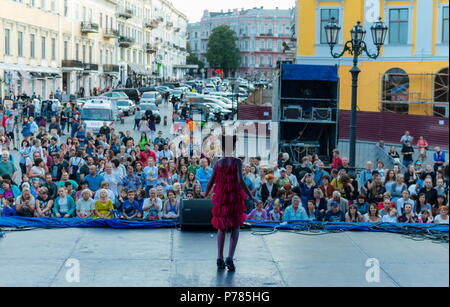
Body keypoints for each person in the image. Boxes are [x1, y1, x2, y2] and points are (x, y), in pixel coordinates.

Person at [203, 131, 257, 272]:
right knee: (235, 227)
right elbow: (240, 181)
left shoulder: (218, 162)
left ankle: (219, 258)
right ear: (233, 147)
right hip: (234, 197)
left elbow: (211, 181)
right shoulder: (237, 161)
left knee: (221, 227)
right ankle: (229, 258)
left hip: (222, 197)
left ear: (222, 147)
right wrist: (250, 195)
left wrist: (205, 193)